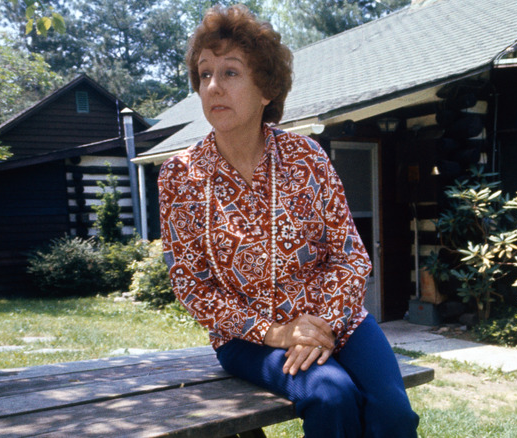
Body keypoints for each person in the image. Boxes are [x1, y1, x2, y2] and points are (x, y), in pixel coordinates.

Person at [158, 5, 419, 438]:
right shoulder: (181, 176)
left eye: (231, 73)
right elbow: (192, 286)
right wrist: (276, 332)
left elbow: (350, 255)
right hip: (246, 338)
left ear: (265, 89)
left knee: (393, 414)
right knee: (330, 395)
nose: (213, 86)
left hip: (338, 320)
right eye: (205, 74)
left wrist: (322, 325)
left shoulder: (305, 158)